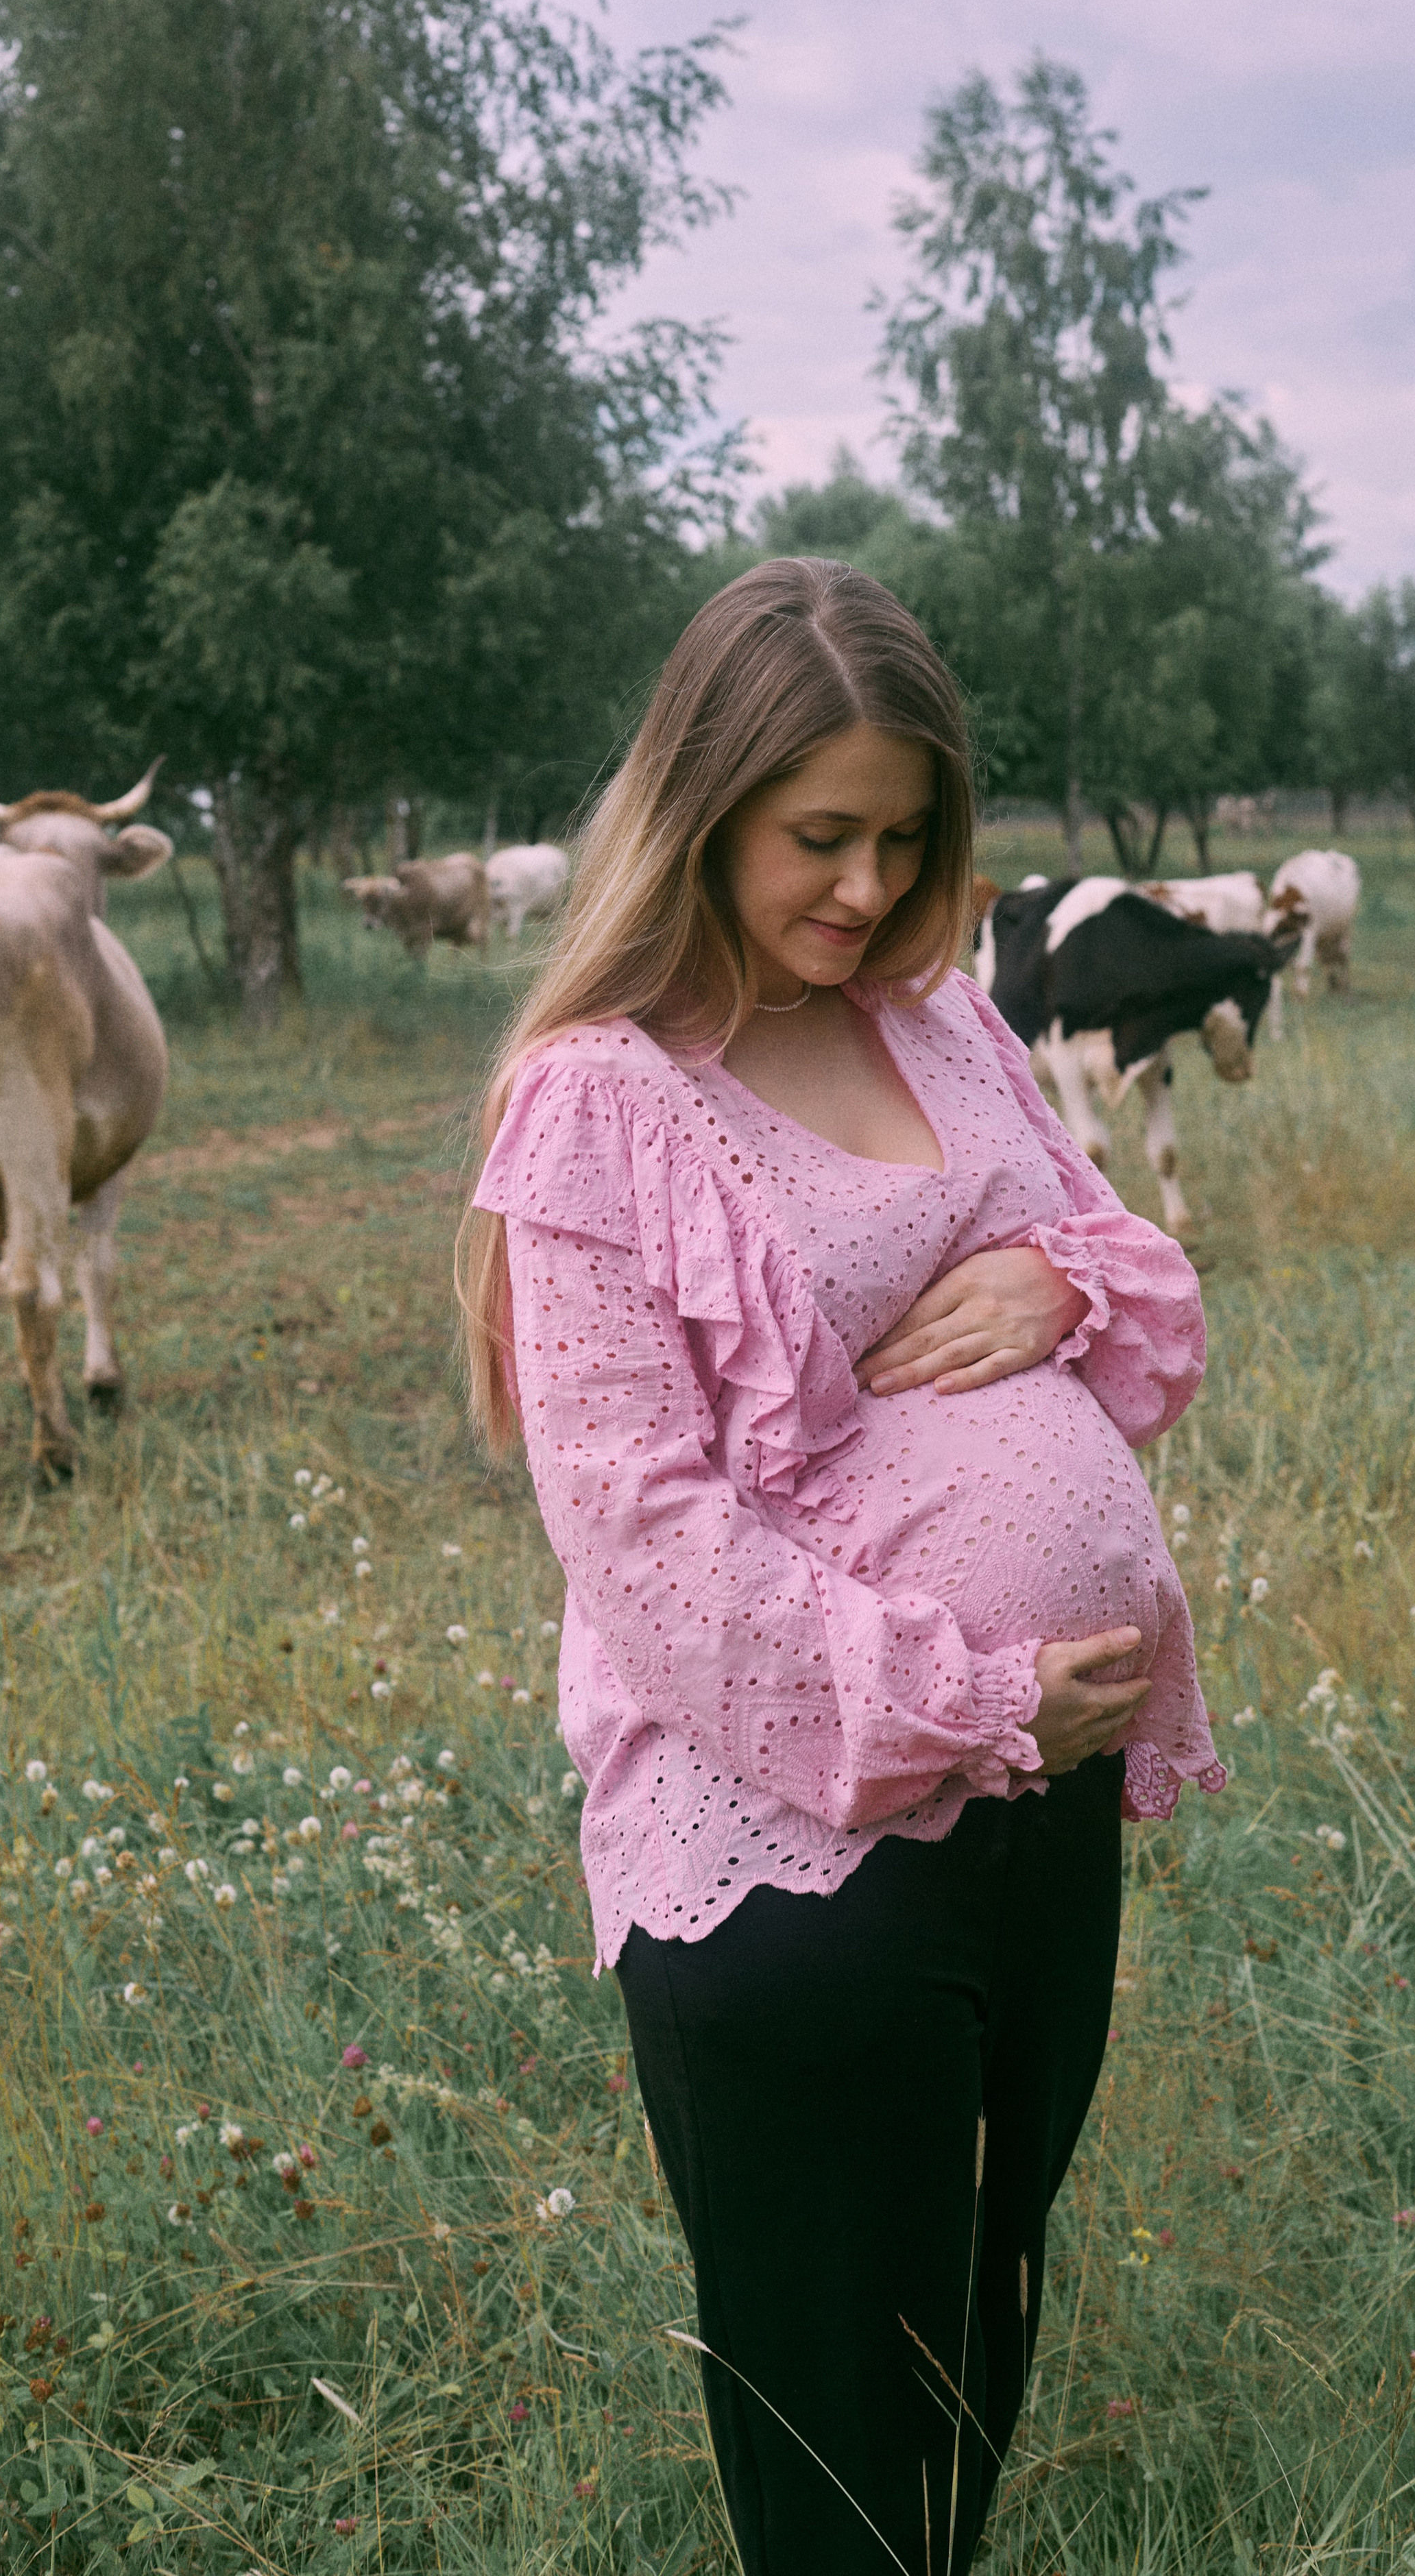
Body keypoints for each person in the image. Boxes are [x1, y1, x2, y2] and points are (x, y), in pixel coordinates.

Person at [461, 557, 1222, 2574]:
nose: (870, 886)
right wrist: (963, 1699)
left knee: (976, 2343)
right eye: (822, 836)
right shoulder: (603, 1104)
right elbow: (641, 1528)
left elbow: (1136, 1284)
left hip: (1045, 1821)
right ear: (702, 803)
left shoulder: (946, 1023)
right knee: (837, 2448)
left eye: (906, 837)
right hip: (793, 1855)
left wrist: (1051, 1273)